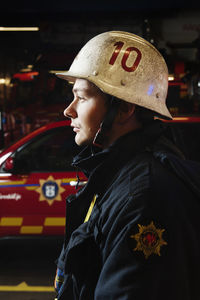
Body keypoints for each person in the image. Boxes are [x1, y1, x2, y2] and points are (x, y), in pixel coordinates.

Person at [54, 31, 200, 300]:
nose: (69, 110)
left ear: (124, 109)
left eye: (82, 97)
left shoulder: (144, 196)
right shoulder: (118, 174)